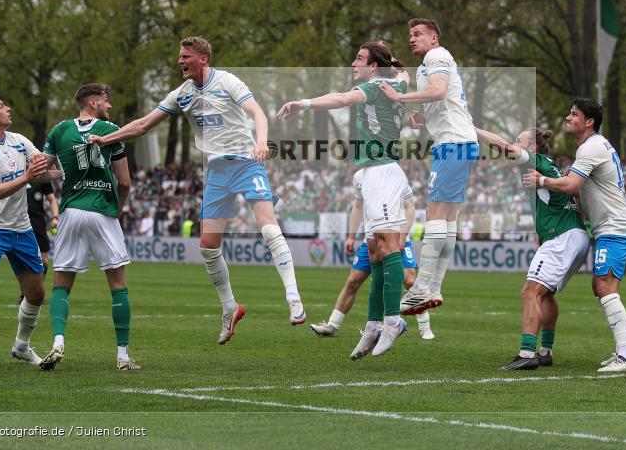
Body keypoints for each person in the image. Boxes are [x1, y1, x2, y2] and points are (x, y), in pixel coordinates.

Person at [90, 36, 305, 345]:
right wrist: (106, 139)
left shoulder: (227, 82)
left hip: (246, 163)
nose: (180, 61)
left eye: (185, 56)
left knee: (269, 228)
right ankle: (230, 308)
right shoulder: (183, 93)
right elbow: (143, 125)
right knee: (207, 246)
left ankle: (293, 297)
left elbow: (258, 113)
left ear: (203, 58)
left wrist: (261, 142)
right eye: (180, 56)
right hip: (216, 172)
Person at [278, 40, 410, 357]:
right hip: (373, 172)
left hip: (382, 171)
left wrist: (303, 103)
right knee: (375, 252)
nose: (353, 63)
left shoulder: (375, 86)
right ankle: (374, 324)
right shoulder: (398, 81)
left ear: (374, 66)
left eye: (359, 58)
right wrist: (388, 56)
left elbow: (340, 99)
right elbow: (403, 72)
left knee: (388, 247)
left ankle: (393, 321)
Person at [522, 98, 626, 372]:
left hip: (615, 227)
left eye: (574, 114)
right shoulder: (594, 146)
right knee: (603, 287)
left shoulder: (591, 146)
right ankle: (623, 353)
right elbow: (581, 196)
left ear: (589, 121)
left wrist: (542, 180)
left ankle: (625, 357)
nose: (568, 117)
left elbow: (572, 186)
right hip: (610, 227)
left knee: (603, 287)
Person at [378, 18, 479, 316]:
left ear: (434, 38)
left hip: (453, 144)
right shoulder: (428, 63)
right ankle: (433, 288)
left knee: (435, 214)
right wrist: (425, 117)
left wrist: (399, 96)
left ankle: (422, 288)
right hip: (460, 142)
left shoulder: (437, 55)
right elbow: (444, 98)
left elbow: (438, 90)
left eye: (418, 34)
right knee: (447, 218)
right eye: (410, 34)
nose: (412, 38)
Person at [38, 83, 138, 371]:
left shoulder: (59, 131)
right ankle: (122, 356)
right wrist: (119, 207)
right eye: (106, 100)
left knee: (61, 284)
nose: (109, 105)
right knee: (117, 285)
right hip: (102, 211)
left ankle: (58, 342)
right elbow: (124, 182)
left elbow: (42, 173)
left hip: (71, 211)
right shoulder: (111, 130)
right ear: (93, 102)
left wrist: (64, 173)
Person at [0, 93, 59, 371]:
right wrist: (27, 176)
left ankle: (21, 346)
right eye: (1, 106)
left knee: (36, 294)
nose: (8, 108)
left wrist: (62, 163)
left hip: (21, 227)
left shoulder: (20, 141)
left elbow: (45, 171)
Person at [488, 128, 589, 371]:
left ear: (532, 147)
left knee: (529, 292)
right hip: (575, 235)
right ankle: (545, 351)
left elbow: (504, 147)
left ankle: (526, 354)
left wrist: (469, 129)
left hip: (561, 237)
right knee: (546, 293)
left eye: (519, 140)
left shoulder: (535, 161)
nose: (515, 143)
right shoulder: (549, 165)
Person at [310, 168, 433, 340]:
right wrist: (351, 236)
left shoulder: (394, 171)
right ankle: (332, 325)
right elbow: (358, 206)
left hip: (396, 235)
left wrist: (403, 235)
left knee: (410, 281)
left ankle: (424, 327)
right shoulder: (359, 176)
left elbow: (410, 206)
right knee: (353, 281)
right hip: (371, 239)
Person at [17, 180, 57, 304]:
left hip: (38, 223)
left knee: (44, 261)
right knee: (22, 262)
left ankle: (36, 292)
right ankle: (24, 295)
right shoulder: (16, 174)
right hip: (19, 223)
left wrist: (55, 217)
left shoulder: (42, 177)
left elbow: (52, 199)